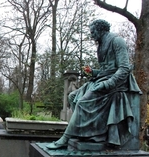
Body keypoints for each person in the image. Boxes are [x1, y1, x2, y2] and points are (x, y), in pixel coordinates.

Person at [47, 19, 141, 149]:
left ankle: (65, 138)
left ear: (101, 30)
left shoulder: (117, 41)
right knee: (73, 97)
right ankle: (85, 134)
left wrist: (109, 83)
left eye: (93, 32)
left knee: (82, 102)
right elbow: (105, 69)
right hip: (102, 79)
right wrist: (93, 72)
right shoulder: (101, 44)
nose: (91, 35)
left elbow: (124, 68)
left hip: (116, 83)